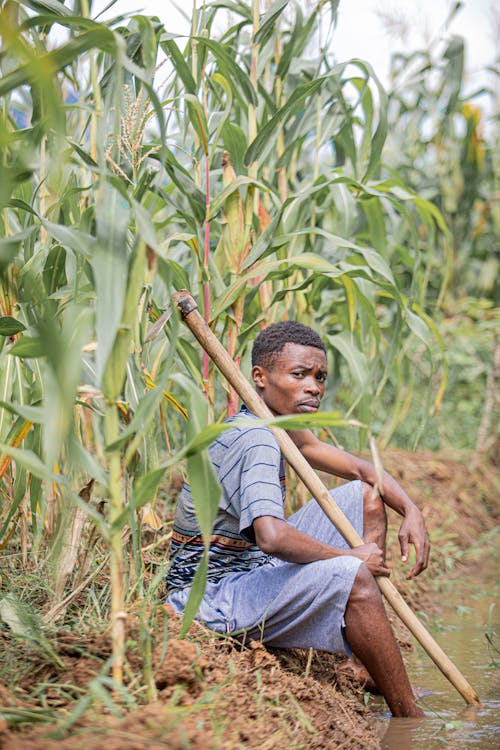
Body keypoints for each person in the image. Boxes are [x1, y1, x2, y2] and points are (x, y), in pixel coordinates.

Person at [166, 321, 430, 717]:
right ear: (260, 377)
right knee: (352, 575)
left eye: (320, 376)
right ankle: (411, 719)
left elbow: (361, 471)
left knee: (368, 498)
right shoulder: (254, 439)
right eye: (299, 375)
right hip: (207, 599)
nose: (315, 387)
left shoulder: (280, 428)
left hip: (251, 570)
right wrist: (351, 558)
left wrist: (411, 509)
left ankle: (362, 664)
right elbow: (271, 537)